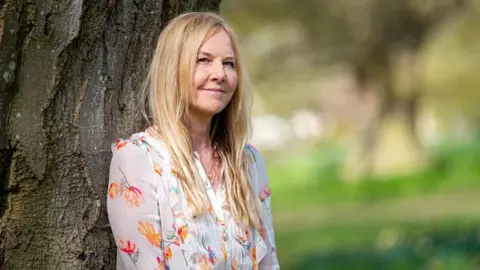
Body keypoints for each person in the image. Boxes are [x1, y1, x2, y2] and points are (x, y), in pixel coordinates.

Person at [107, 12, 280, 270]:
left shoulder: (248, 161)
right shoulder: (139, 158)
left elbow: (268, 264)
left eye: (229, 63)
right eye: (204, 60)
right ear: (173, 68)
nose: (220, 74)